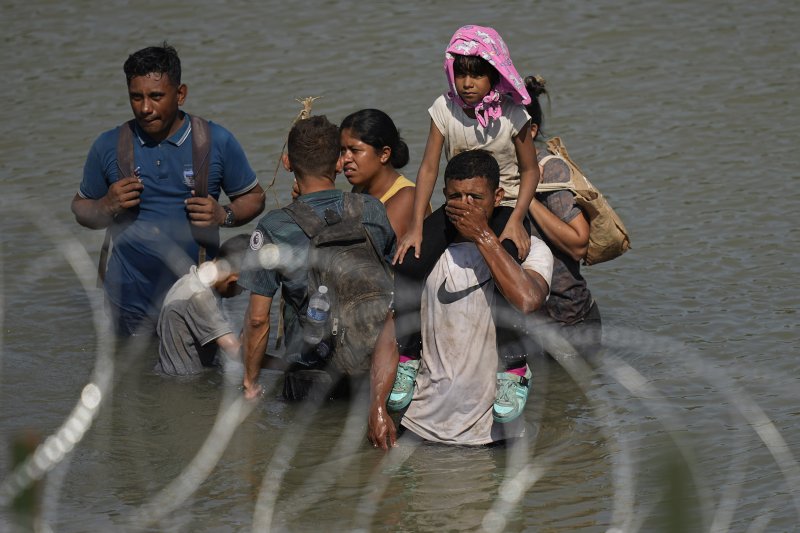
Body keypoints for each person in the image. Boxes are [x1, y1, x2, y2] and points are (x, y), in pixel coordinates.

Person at [388, 25, 540, 419]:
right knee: (408, 264)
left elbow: (530, 171)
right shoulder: (444, 108)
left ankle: (515, 367)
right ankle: (409, 356)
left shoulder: (513, 115)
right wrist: (418, 225)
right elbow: (427, 169)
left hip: (501, 206)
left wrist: (516, 222)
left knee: (505, 269)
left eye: (477, 73)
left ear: (495, 75)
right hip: (457, 205)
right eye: (461, 73)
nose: (468, 83)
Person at [71, 43, 264, 337]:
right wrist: (106, 206)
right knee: (129, 382)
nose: (145, 108)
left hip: (195, 300)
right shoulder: (109, 146)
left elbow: (254, 197)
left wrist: (224, 213)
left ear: (181, 94)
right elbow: (81, 208)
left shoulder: (216, 141)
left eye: (156, 96)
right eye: (136, 97)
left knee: (198, 380)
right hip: (126, 303)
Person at [372, 150, 553, 447]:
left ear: (498, 197)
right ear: (444, 195)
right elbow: (391, 330)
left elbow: (527, 300)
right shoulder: (424, 250)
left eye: (475, 198)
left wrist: (482, 235)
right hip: (418, 427)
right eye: (456, 197)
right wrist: (378, 408)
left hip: (492, 436)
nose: (465, 207)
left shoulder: (528, 249)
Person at [237, 116, 397, 439]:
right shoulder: (372, 210)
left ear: (286, 163)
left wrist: (251, 382)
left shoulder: (274, 228)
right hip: (374, 371)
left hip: (311, 378)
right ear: (339, 162)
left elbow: (257, 320)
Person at [524, 76, 601, 354]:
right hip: (524, 321)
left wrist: (528, 198)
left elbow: (579, 244)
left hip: (569, 320)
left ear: (531, 130)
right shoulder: (494, 172)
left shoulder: (551, 169)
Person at [156, 234, 250, 375]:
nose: (242, 293)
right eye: (244, 289)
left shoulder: (191, 279)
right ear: (233, 281)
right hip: (185, 384)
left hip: (170, 373)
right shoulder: (200, 296)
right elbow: (237, 353)